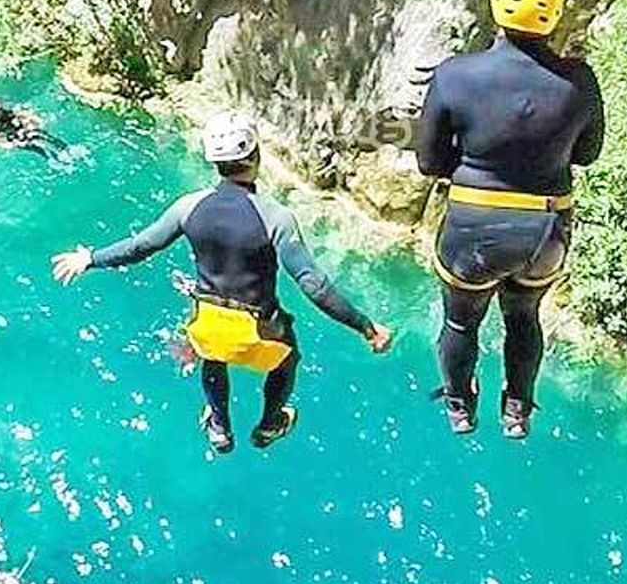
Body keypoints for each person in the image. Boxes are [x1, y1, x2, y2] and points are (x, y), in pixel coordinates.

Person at [52, 111, 392, 453]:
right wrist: (366, 327)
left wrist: (90, 258)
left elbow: (141, 246)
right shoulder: (276, 218)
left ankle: (219, 426)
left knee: (212, 352)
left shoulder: (188, 207)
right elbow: (313, 284)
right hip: (259, 333)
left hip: (207, 323)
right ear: (256, 155)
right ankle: (269, 425)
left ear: (213, 161)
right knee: (287, 359)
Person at [415, 0, 605, 440]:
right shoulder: (579, 82)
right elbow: (588, 154)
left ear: (496, 5)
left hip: (474, 228)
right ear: (554, 13)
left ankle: (460, 407)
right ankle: (516, 410)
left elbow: (429, 162)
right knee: (524, 316)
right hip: (544, 231)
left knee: (461, 324)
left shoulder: (455, 75)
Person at [0, 96, 64, 157]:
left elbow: (23, 114)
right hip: (15, 139)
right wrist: (2, 144)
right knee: (36, 147)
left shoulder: (9, 113)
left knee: (39, 134)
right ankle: (53, 158)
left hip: (23, 130)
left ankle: (62, 147)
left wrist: (36, 120)